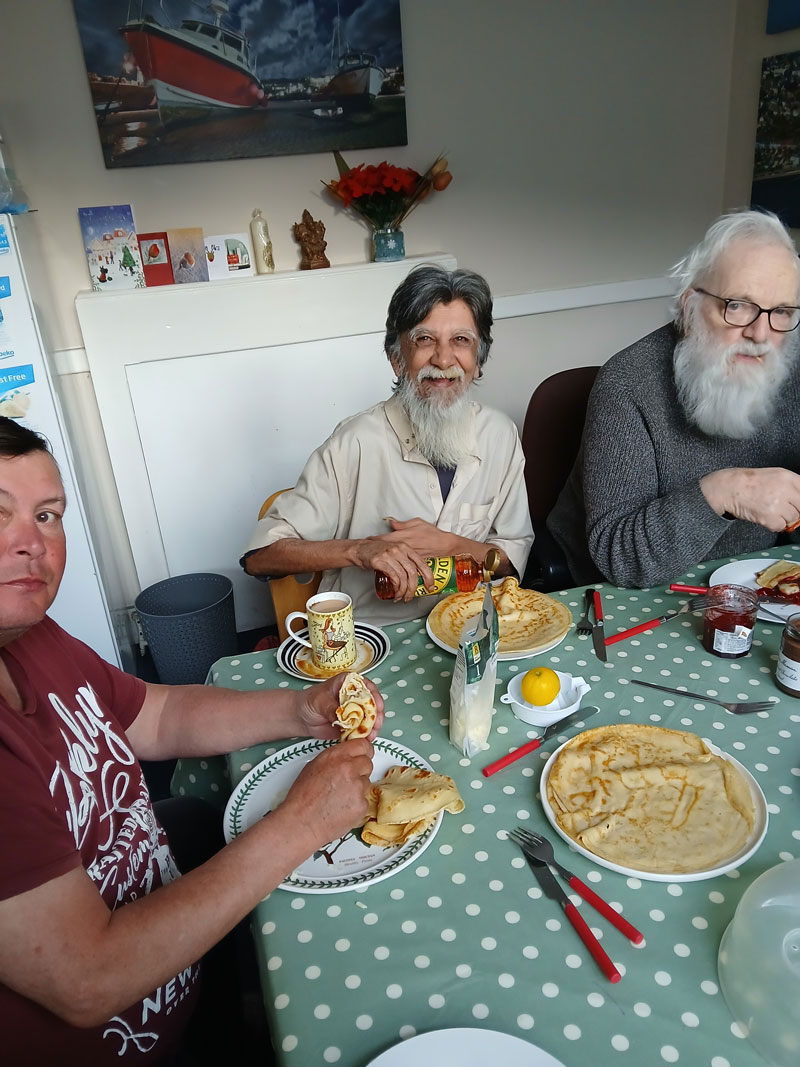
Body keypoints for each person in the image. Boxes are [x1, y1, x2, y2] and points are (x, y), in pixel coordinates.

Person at [0, 417, 383, 1065]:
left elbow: (158, 713)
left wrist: (301, 709)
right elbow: (87, 978)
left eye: (47, 514)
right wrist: (301, 824)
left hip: (179, 982)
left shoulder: (32, 638)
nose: (30, 543)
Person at [241, 265, 533, 624]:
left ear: (479, 360)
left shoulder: (500, 435)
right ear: (397, 358)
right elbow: (261, 556)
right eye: (425, 340)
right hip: (377, 641)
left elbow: (512, 560)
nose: (443, 360)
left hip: (473, 631)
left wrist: (453, 545)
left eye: (461, 340)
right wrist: (361, 551)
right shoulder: (356, 442)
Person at [547, 209, 800, 587]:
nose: (761, 334)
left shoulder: (789, 370)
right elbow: (621, 560)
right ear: (690, 305)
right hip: (623, 594)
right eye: (738, 305)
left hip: (754, 585)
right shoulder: (627, 384)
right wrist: (725, 491)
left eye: (781, 311)